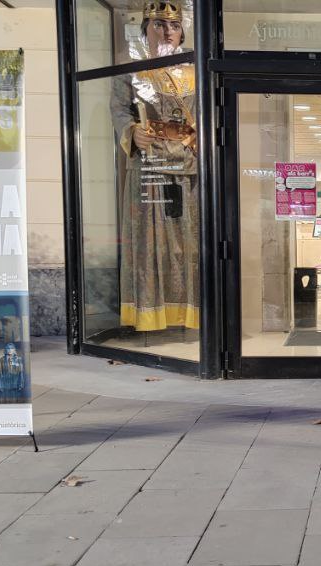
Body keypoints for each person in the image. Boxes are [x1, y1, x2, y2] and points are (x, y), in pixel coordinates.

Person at [111, 0, 200, 333]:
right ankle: (150, 316)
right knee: (149, 245)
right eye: (159, 24)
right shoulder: (128, 69)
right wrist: (132, 131)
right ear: (145, 29)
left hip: (190, 169)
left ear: (182, 33)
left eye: (174, 26)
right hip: (148, 169)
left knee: (188, 244)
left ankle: (189, 315)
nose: (167, 31)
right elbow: (119, 111)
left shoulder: (197, 69)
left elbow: (208, 114)